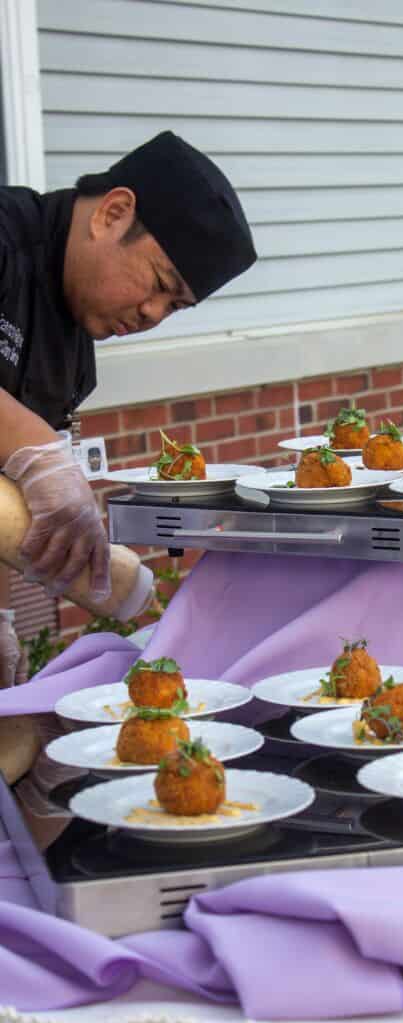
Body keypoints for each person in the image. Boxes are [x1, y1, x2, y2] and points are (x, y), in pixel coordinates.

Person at [0, 131, 257, 687]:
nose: (152, 314)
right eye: (160, 284)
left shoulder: (75, 357)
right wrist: (35, 445)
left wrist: (0, 619)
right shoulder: (4, 233)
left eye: (175, 306)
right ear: (113, 213)